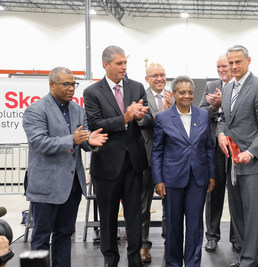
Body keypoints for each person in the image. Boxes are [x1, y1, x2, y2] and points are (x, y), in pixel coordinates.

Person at [23, 67, 107, 267]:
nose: (71, 89)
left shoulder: (77, 109)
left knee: (64, 234)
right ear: (51, 85)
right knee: (42, 236)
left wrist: (90, 142)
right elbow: (38, 143)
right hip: (46, 186)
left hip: (72, 186)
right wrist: (73, 139)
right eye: (66, 84)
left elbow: (83, 140)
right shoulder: (36, 110)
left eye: (73, 84)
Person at [83, 45, 152, 267]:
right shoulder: (92, 92)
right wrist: (124, 118)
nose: (124, 67)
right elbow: (95, 124)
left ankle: (134, 260)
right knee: (108, 217)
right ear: (106, 65)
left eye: (125, 63)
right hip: (106, 166)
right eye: (119, 63)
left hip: (134, 163)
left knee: (134, 216)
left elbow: (146, 120)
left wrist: (140, 117)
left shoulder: (137, 87)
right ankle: (110, 259)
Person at [218, 45, 258, 267]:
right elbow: (223, 118)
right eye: (230, 62)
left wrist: (251, 152)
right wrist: (221, 134)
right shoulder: (227, 88)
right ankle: (244, 256)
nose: (233, 66)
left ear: (248, 61)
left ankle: (250, 261)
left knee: (252, 214)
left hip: (252, 163)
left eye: (237, 62)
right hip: (231, 162)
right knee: (237, 213)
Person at [152, 75, 216, 267]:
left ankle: (193, 263)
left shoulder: (203, 115)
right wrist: (158, 180)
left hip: (198, 179)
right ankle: (172, 263)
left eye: (190, 92)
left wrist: (211, 175)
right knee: (173, 225)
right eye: (182, 92)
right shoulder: (163, 118)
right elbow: (157, 151)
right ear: (173, 94)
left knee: (195, 225)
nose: (187, 96)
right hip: (172, 180)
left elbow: (209, 147)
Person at [199, 54, 237, 252]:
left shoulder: (241, 86)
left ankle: (237, 238)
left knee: (236, 195)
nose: (221, 70)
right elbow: (199, 111)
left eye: (225, 66)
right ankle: (212, 236)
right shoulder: (210, 86)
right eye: (218, 66)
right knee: (213, 194)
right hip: (215, 149)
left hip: (236, 147)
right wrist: (214, 106)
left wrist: (224, 103)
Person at [140, 63, 172, 262]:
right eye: (155, 75)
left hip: (169, 160)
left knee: (170, 205)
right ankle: (143, 245)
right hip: (146, 158)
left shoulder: (174, 96)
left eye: (162, 74)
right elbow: (143, 122)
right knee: (143, 206)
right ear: (147, 79)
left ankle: (171, 242)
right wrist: (165, 113)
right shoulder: (140, 97)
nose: (159, 78)